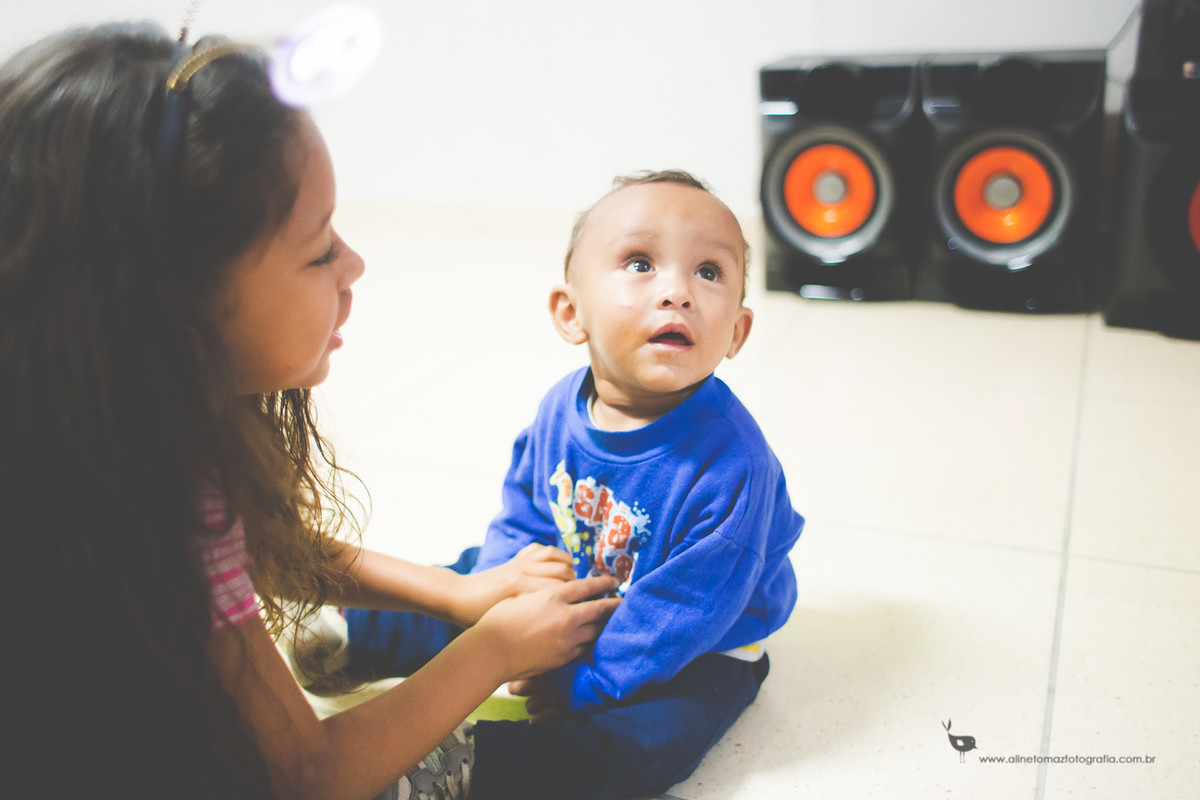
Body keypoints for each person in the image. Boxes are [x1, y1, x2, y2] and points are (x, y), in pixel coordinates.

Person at [0, 23, 620, 800]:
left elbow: (262, 545)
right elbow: (304, 773)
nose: (354, 264)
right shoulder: (146, 501)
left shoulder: (101, 409)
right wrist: (492, 649)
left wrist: (455, 593)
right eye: (320, 249)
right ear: (176, 306)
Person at [318, 171, 805, 800]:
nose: (678, 291)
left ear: (736, 332)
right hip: (586, 571)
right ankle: (359, 635)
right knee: (465, 576)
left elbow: (680, 614)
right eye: (640, 263)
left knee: (650, 743)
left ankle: (475, 765)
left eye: (709, 272)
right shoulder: (561, 408)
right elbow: (525, 507)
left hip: (697, 639)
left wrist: (579, 684)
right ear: (571, 314)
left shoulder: (733, 468)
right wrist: (499, 591)